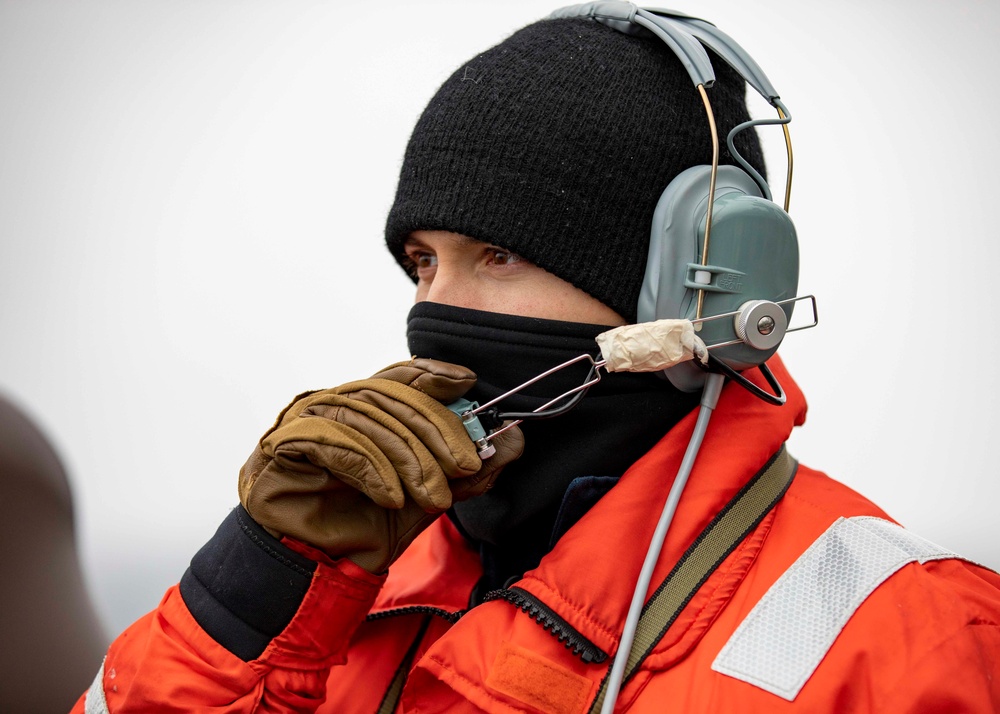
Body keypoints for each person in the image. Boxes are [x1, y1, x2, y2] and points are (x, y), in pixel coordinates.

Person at [74, 5, 1000, 713]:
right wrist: (251, 592)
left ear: (689, 289)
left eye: (498, 256)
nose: (435, 310)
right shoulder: (346, 573)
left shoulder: (918, 637)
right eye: (422, 263)